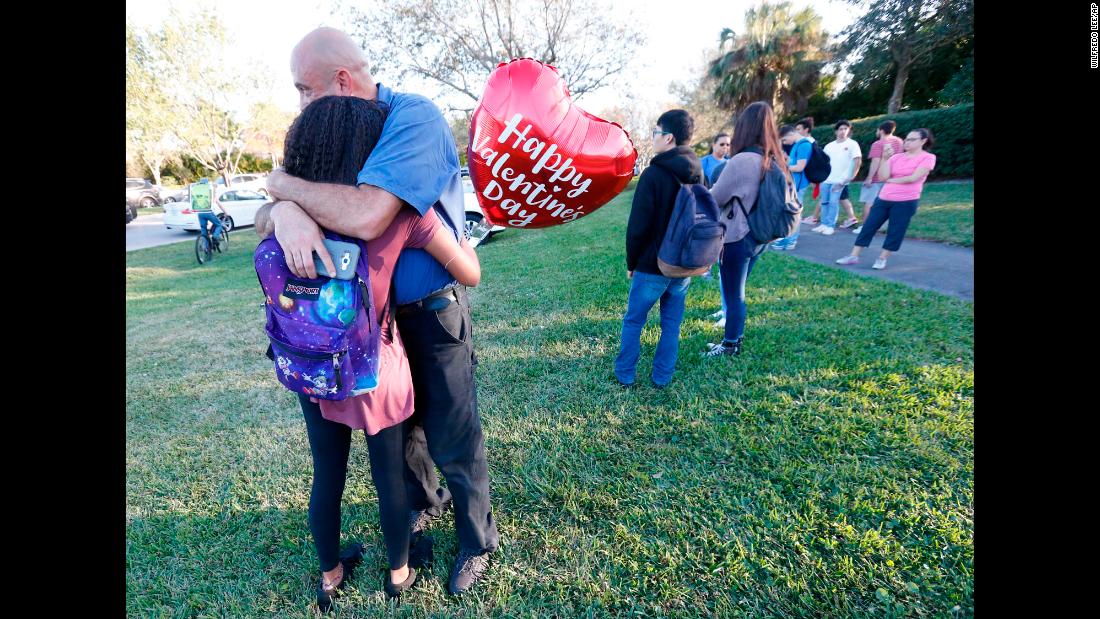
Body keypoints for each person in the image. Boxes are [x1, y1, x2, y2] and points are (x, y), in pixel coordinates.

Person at [253, 27, 499, 596]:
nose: (301, 106)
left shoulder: (413, 118)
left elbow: (364, 215)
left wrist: (284, 189)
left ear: (341, 82)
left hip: (428, 313)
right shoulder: (341, 130)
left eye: (304, 91)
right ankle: (419, 511)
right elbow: (304, 208)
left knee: (452, 435)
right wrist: (284, 208)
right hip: (373, 329)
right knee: (404, 438)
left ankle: (475, 539)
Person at [614, 109, 700, 388]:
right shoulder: (698, 171)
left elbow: (638, 226)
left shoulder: (654, 174)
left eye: (655, 133)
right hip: (684, 264)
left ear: (670, 137)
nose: (653, 139)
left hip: (652, 265)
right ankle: (662, 376)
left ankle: (625, 374)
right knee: (671, 325)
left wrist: (631, 262)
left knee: (634, 321)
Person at [704, 101, 793, 357]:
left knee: (733, 294)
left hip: (737, 236)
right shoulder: (774, 159)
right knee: (737, 291)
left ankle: (730, 344)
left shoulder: (742, 161)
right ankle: (734, 337)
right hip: (760, 237)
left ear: (743, 128)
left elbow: (715, 198)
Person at [836, 128, 936, 270]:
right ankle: (854, 255)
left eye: (912, 139)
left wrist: (892, 180)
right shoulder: (896, 157)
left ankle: (882, 258)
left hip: (906, 200)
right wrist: (885, 158)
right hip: (884, 197)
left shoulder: (928, 158)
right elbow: (882, 177)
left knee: (896, 230)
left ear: (923, 141)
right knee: (869, 226)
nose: (907, 142)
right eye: (906, 139)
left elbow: (913, 178)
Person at [852, 120, 904, 235]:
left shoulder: (878, 144)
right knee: (888, 203)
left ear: (881, 130)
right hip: (892, 177)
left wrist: (869, 177)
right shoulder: (899, 142)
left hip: (878, 177)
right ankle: (884, 227)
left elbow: (875, 162)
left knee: (869, 202)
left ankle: (866, 227)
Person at [812, 120, 862, 236]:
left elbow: (857, 161)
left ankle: (830, 226)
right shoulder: (829, 146)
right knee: (824, 202)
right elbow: (823, 162)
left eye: (846, 129)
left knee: (834, 202)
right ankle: (824, 224)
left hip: (840, 180)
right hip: (826, 179)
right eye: (840, 129)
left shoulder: (852, 144)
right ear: (836, 131)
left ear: (849, 131)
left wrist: (851, 177)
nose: (843, 131)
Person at [771, 124, 812, 251]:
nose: (784, 143)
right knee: (789, 211)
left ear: (790, 134)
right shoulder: (797, 145)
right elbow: (793, 163)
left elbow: (800, 167)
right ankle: (786, 239)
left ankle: (791, 240)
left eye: (784, 140)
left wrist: (781, 168)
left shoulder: (804, 145)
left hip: (799, 185)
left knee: (795, 213)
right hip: (793, 184)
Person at [794, 117, 822, 226]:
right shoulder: (805, 142)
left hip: (803, 177)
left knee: (797, 201)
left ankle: (794, 228)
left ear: (806, 130)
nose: (796, 132)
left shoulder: (808, 143)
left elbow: (808, 163)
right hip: (801, 176)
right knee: (796, 200)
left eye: (798, 129)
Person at [191, 178, 224, 247]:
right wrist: (226, 212)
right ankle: (215, 236)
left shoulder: (198, 192)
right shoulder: (210, 192)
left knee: (204, 230)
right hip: (208, 212)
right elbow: (219, 204)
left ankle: (205, 247)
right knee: (219, 225)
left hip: (200, 213)